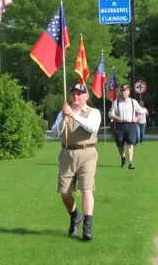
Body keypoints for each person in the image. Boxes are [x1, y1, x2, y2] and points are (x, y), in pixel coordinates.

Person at [51, 83, 101, 241]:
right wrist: (63, 121)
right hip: (67, 153)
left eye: (79, 94)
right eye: (73, 94)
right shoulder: (64, 112)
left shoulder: (93, 112)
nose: (75, 97)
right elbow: (54, 133)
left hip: (87, 152)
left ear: (86, 96)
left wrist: (74, 116)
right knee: (64, 191)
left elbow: (92, 128)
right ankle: (75, 215)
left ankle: (87, 225)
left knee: (86, 189)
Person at [108, 84, 146, 169]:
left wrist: (137, 118)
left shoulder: (133, 102)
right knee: (120, 144)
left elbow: (142, 111)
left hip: (131, 125)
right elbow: (110, 114)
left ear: (128, 92)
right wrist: (117, 117)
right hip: (120, 125)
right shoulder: (116, 102)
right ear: (120, 92)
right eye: (122, 92)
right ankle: (123, 158)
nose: (123, 93)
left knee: (130, 143)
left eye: (125, 91)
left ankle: (131, 162)